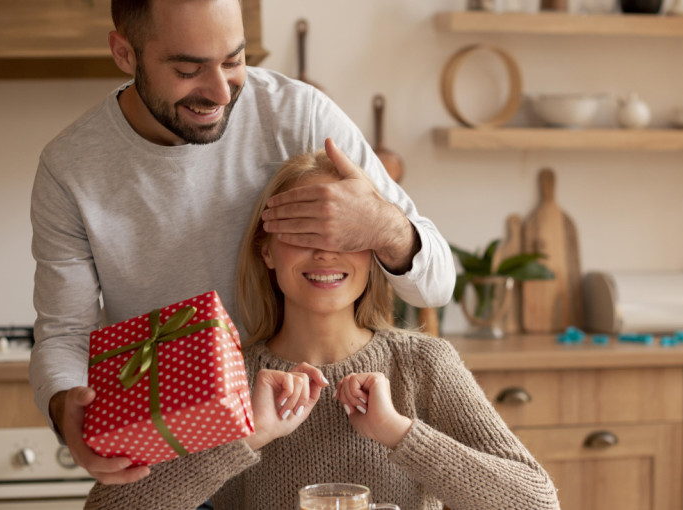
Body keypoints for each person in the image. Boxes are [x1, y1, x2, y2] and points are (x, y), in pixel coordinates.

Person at [29, 0, 455, 490]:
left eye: (234, 61)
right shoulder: (70, 167)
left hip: (291, 439)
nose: (218, 91)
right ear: (124, 52)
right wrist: (68, 413)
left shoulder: (299, 115)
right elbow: (64, 335)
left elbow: (437, 282)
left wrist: (384, 225)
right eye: (188, 69)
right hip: (172, 462)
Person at [82, 150, 560, 510]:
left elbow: (538, 501)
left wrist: (399, 433)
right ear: (266, 252)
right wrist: (249, 436)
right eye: (302, 235)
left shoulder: (423, 364)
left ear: (372, 250)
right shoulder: (227, 375)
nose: (326, 254)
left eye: (345, 236)